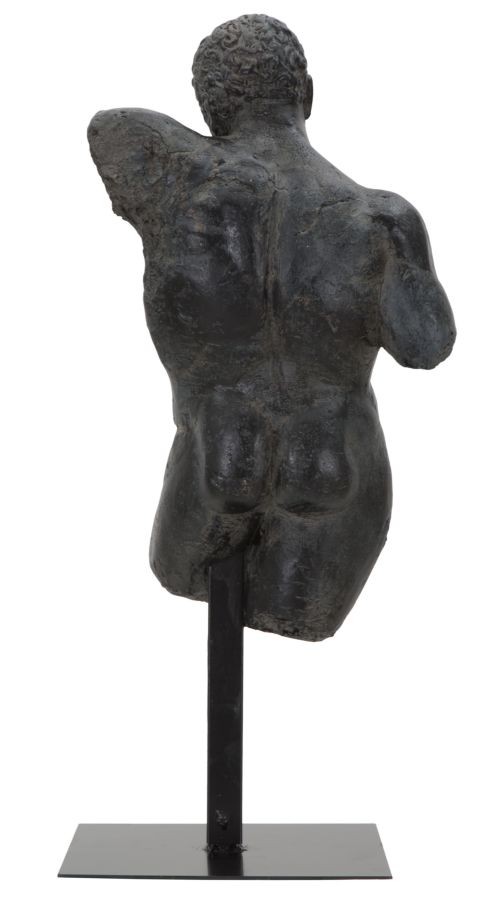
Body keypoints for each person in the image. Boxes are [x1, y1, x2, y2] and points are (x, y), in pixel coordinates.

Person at [88, 14, 456, 641]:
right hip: (332, 456)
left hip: (220, 448)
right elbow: (427, 345)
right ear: (307, 94)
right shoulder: (381, 219)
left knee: (188, 571)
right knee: (294, 613)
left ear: (209, 109)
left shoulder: (174, 181)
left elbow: (108, 128)